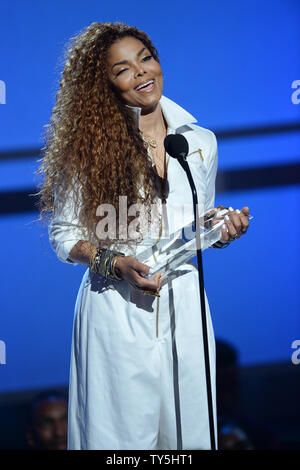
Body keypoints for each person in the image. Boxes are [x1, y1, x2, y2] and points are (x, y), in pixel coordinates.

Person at [35, 22, 250, 450]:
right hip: (116, 306)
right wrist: (114, 264)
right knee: (120, 442)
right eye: (123, 69)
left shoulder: (199, 140)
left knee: (188, 437)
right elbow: (64, 235)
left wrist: (223, 228)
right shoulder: (88, 149)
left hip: (184, 303)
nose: (141, 74)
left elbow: (197, 225)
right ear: (106, 86)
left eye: (145, 59)